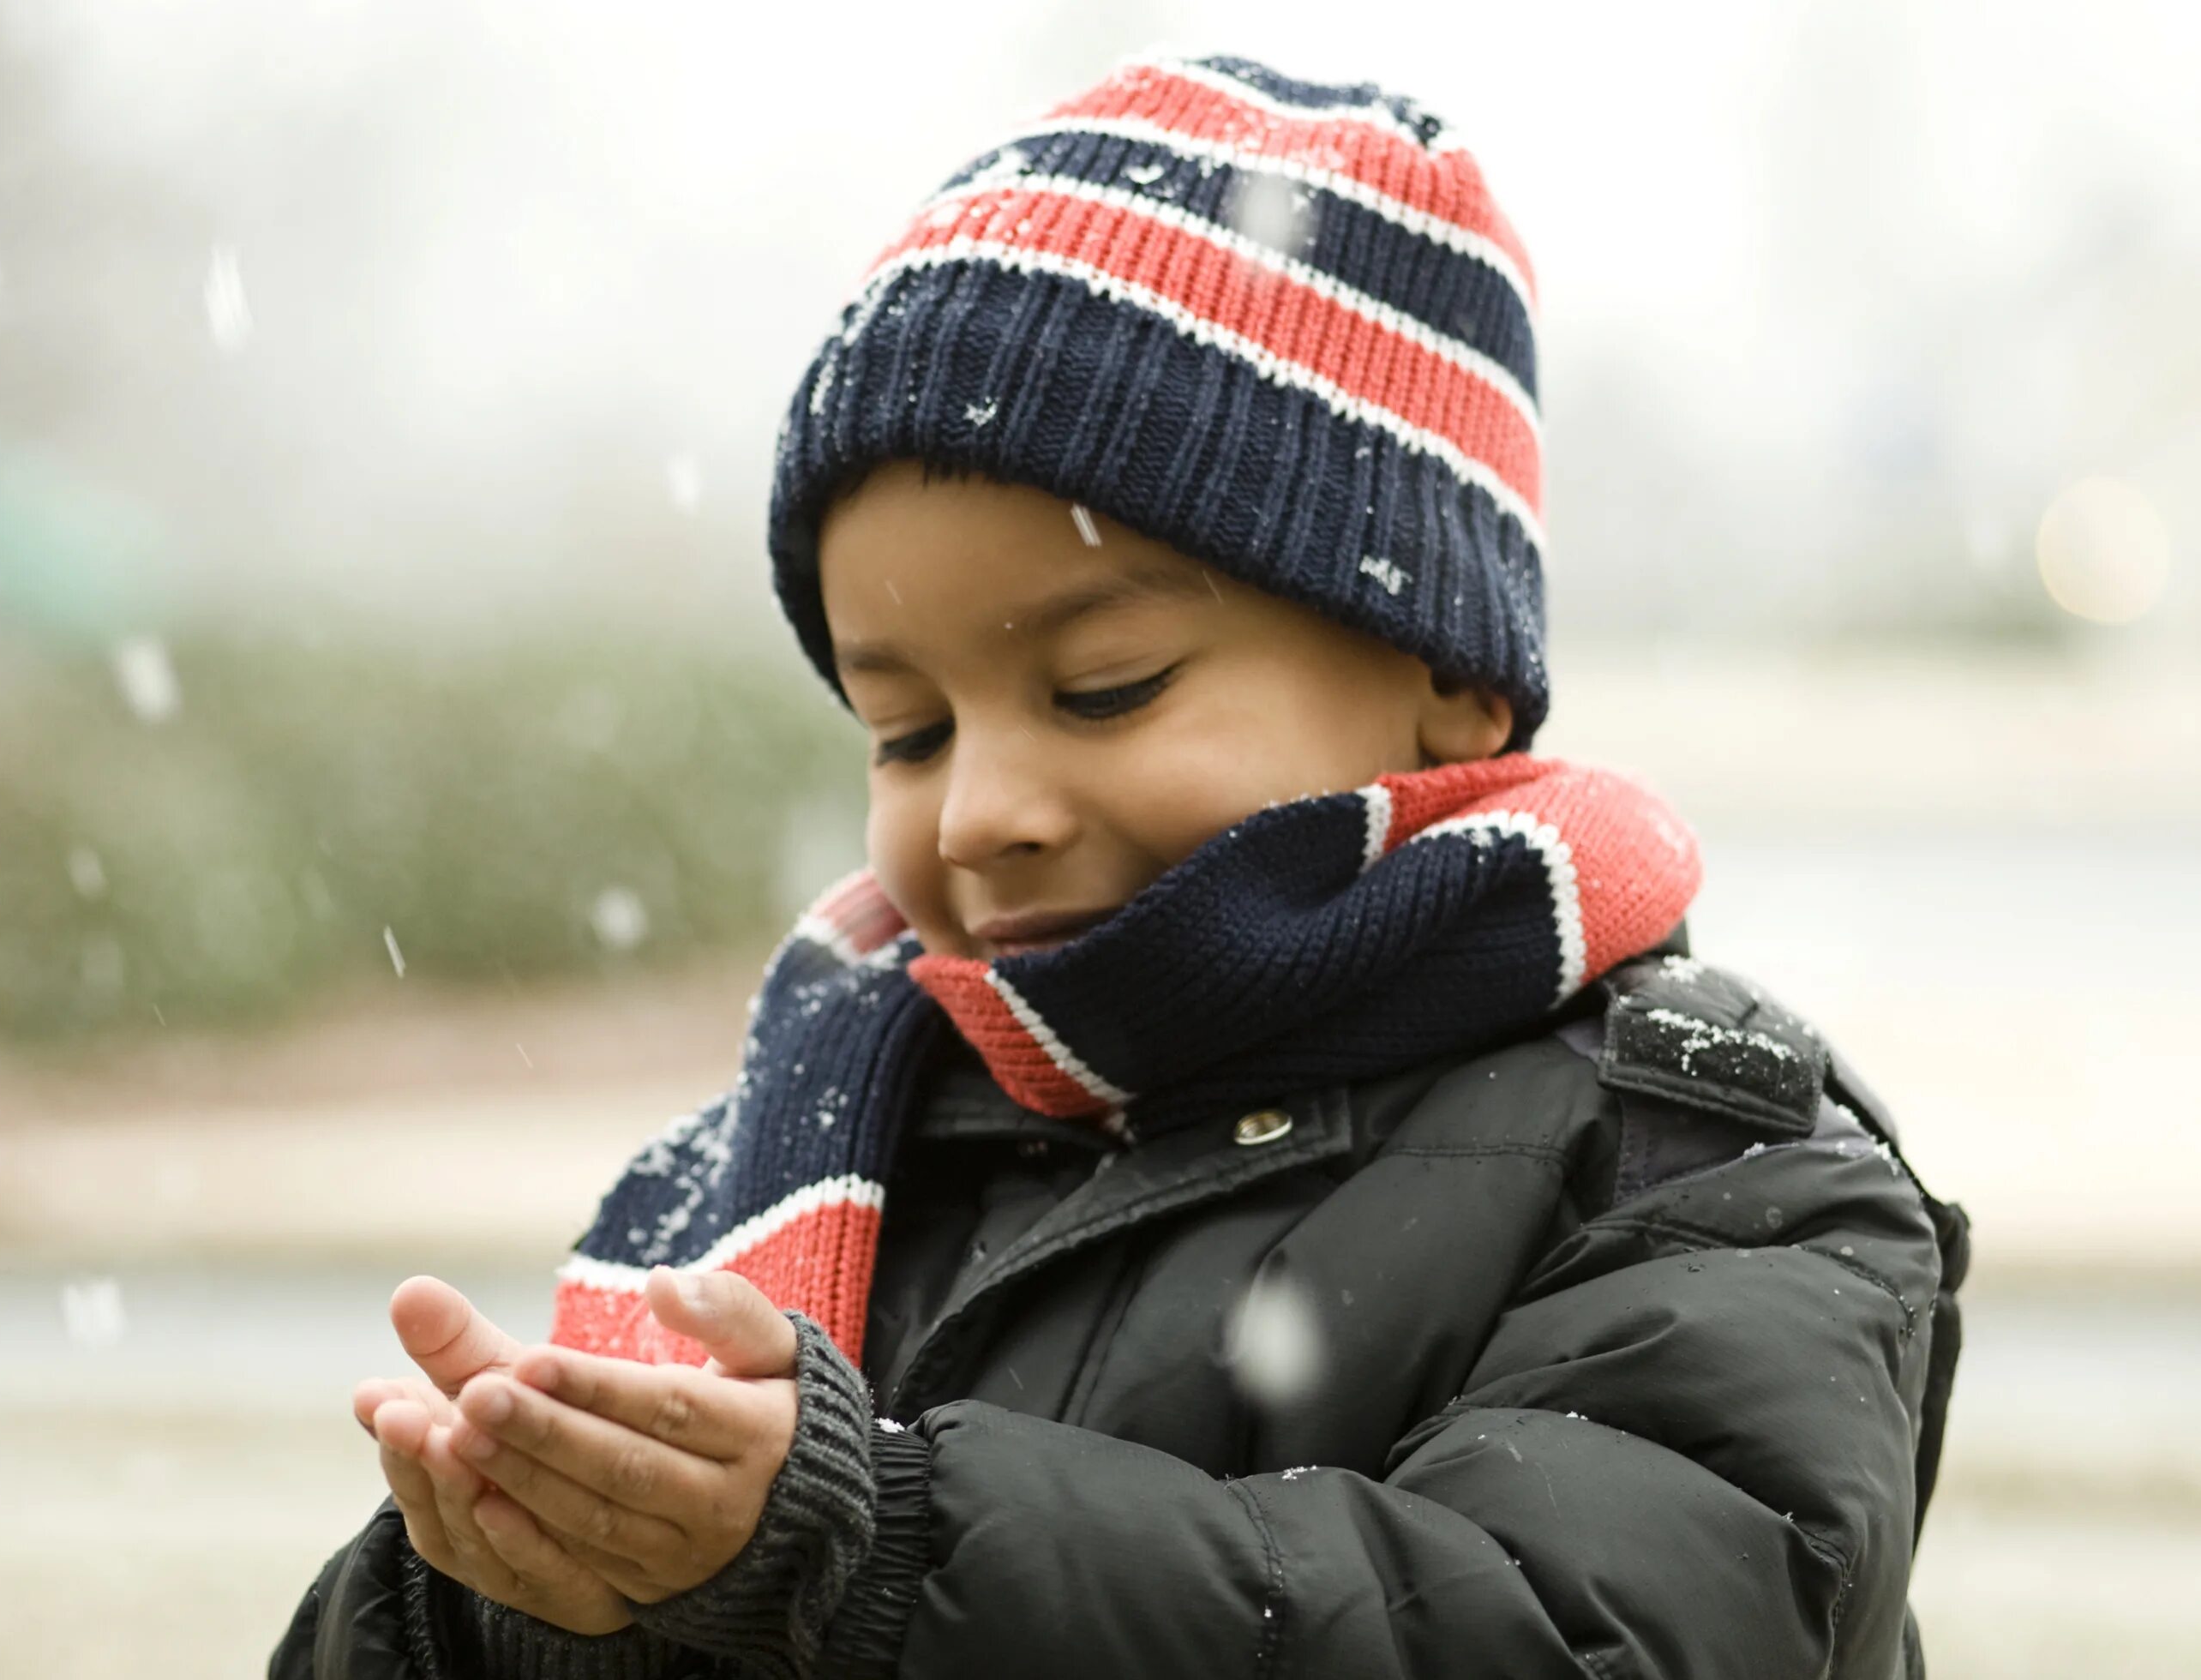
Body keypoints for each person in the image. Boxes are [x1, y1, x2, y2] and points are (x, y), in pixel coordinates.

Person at [273, 51, 1967, 1679]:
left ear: (1445, 679)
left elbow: (1583, 1633)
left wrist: (865, 1551)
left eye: (1104, 686)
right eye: (908, 728)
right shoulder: (810, 1156)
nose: (975, 810)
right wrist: (524, 1573)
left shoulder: (1705, 1164)